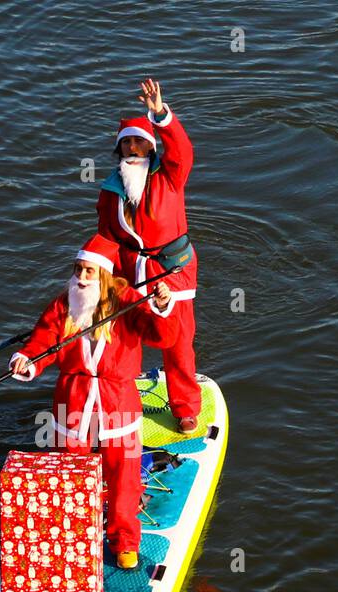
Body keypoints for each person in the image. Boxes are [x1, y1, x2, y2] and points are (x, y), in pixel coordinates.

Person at [9, 235, 176, 570]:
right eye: (77, 270)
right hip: (73, 397)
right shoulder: (63, 304)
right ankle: (72, 535)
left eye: (88, 272)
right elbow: (43, 341)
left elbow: (163, 337)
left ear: (103, 275)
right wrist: (27, 359)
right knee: (67, 469)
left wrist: (161, 306)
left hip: (119, 401)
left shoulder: (128, 301)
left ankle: (125, 540)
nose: (81, 279)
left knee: (124, 476)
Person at [96, 77, 202, 434]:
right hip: (130, 272)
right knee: (125, 337)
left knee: (178, 342)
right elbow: (106, 237)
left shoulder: (171, 176)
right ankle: (122, 399)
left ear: (151, 147)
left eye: (140, 142)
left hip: (173, 271)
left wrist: (160, 115)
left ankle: (185, 407)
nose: (132, 148)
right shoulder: (110, 191)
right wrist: (98, 277)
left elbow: (183, 150)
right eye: (126, 142)